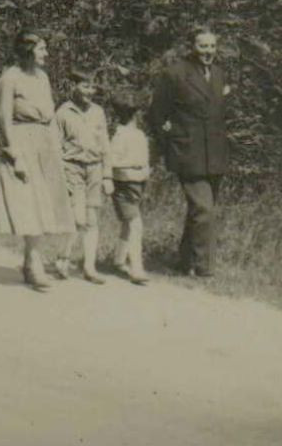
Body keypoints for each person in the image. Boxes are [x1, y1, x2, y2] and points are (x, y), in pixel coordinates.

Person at [0, 30, 76, 291]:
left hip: (45, 143)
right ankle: (34, 262)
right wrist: (14, 154)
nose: (46, 53)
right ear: (28, 50)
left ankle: (31, 260)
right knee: (29, 203)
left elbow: (50, 115)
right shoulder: (9, 78)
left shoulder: (42, 77)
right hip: (22, 141)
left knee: (46, 204)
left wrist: (57, 149)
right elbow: (4, 117)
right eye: (42, 49)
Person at [150, 28, 231, 278]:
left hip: (214, 154)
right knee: (204, 209)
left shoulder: (218, 74)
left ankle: (184, 262)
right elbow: (156, 115)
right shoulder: (175, 73)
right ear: (192, 46)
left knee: (199, 210)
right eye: (203, 46)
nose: (208, 51)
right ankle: (204, 268)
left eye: (212, 46)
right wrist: (170, 141)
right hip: (187, 153)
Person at [54, 71, 111, 284]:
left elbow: (104, 144)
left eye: (93, 87)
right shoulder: (63, 112)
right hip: (72, 168)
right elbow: (56, 146)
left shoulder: (98, 112)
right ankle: (63, 257)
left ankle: (89, 266)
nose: (90, 91)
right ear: (74, 87)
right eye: (85, 86)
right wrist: (58, 173)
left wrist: (108, 175)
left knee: (92, 219)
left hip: (94, 169)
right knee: (77, 218)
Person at [108, 98, 151, 285]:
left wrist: (145, 170)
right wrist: (134, 165)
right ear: (133, 115)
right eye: (136, 112)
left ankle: (118, 260)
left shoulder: (140, 135)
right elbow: (112, 161)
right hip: (123, 185)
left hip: (138, 184)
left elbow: (144, 159)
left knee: (129, 224)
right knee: (135, 224)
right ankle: (136, 268)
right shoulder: (120, 135)